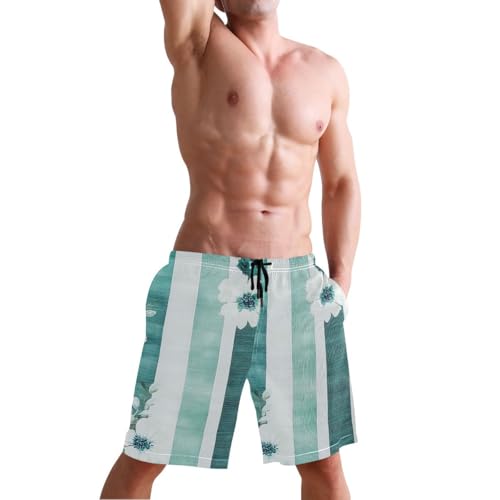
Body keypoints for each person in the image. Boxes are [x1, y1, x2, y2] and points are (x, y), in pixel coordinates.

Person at [100, 1, 361, 498]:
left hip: (298, 286)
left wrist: (340, 281)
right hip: (205, 275)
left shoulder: (325, 72)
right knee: (146, 452)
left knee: (324, 463)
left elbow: (341, 182)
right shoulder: (198, 45)